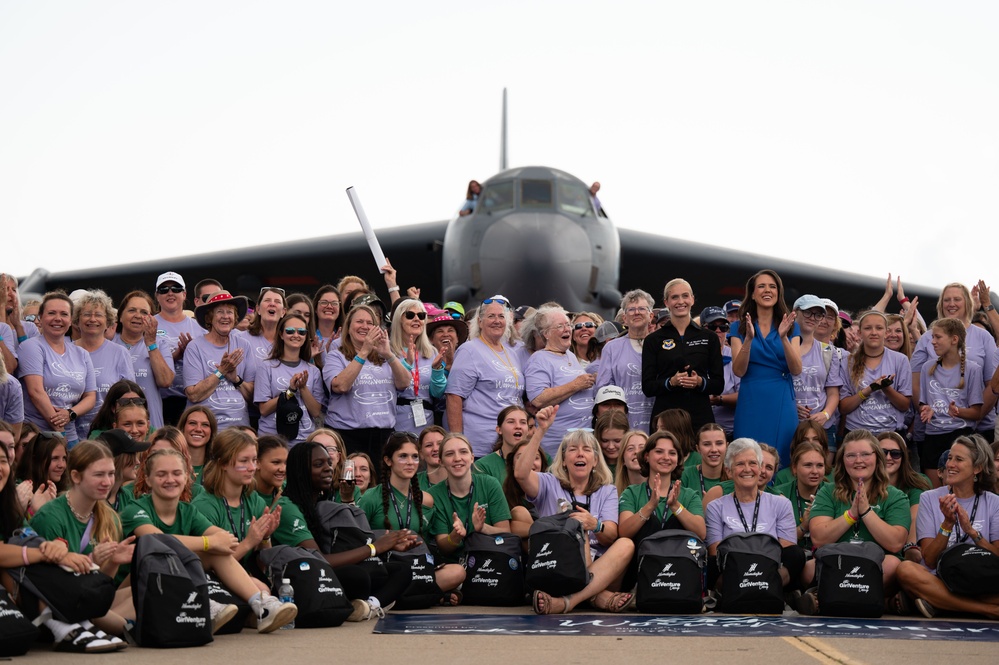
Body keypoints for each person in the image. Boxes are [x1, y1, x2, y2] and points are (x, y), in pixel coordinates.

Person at [121, 448, 297, 632]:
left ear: (187, 477)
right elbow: (155, 540)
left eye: (176, 473)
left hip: (170, 580)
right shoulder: (135, 509)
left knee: (215, 552)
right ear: (148, 479)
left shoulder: (188, 510)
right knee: (169, 555)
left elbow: (225, 539)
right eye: (161, 474)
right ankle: (205, 604)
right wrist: (208, 542)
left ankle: (262, 605)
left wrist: (230, 551)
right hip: (134, 585)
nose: (170, 479)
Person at [514, 405, 636, 614]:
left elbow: (611, 535)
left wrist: (594, 524)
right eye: (573, 449)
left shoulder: (607, 490)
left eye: (587, 450)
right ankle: (595, 597)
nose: (580, 454)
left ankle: (567, 601)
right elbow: (521, 474)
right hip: (557, 566)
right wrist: (540, 430)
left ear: (595, 460)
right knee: (578, 532)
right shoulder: (548, 483)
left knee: (625, 544)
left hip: (602, 570)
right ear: (564, 459)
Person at [275, 441, 416, 621]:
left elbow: (342, 545)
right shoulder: (287, 506)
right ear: (300, 471)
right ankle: (355, 604)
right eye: (319, 465)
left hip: (328, 570)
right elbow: (319, 559)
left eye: (329, 463)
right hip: (302, 574)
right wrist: (375, 548)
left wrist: (389, 545)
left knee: (401, 569)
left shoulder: (320, 500)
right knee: (357, 576)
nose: (328, 469)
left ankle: (369, 606)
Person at [22, 440, 135, 650]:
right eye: (99, 474)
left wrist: (111, 562)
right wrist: (93, 560)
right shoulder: (51, 516)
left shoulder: (108, 517)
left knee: (145, 591)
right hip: (55, 605)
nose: (108, 481)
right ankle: (129, 628)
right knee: (124, 623)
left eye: (111, 474)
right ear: (75, 476)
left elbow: (99, 584)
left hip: (85, 597)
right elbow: (50, 583)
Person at [802, 430, 911, 614]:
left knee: (893, 565)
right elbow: (819, 538)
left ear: (877, 458)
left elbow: (895, 543)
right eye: (851, 455)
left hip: (875, 566)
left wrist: (866, 512)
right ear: (842, 461)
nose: (858, 460)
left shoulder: (895, 496)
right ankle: (881, 602)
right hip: (837, 561)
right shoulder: (827, 491)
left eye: (865, 454)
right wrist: (850, 515)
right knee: (807, 569)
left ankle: (828, 596)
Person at [897, 435, 999, 618]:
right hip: (941, 577)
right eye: (950, 458)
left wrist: (972, 532)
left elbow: (997, 556)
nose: (950, 464)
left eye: (958, 459)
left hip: (982, 578)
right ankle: (988, 610)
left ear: (977, 468)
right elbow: (929, 559)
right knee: (906, 570)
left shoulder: (994, 502)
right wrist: (947, 524)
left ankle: (940, 603)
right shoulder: (928, 498)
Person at [704, 438, 803, 595]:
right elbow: (715, 552)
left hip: (769, 567)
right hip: (733, 569)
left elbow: (787, 549)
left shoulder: (781, 504)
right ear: (729, 471)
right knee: (709, 563)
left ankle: (770, 589)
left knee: (796, 554)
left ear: (759, 468)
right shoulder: (716, 506)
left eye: (752, 463)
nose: (747, 469)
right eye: (740, 464)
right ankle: (738, 593)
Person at [728, 270, 802, 466]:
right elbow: (739, 371)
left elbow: (796, 369)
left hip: (781, 397)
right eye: (761, 286)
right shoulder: (738, 328)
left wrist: (784, 337)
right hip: (751, 399)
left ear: (779, 292)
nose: (767, 290)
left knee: (782, 454)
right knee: (747, 453)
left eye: (772, 286)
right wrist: (749, 340)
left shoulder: (791, 326)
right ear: (752, 293)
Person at [618, 430, 706, 587]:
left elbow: (701, 532)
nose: (666, 457)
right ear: (646, 456)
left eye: (672, 453)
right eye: (659, 451)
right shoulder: (632, 492)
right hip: (641, 570)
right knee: (649, 522)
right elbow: (624, 532)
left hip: (678, 569)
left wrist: (675, 507)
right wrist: (650, 505)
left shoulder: (689, 495)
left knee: (677, 522)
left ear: (678, 459)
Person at [912, 283, 996, 444]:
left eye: (957, 299)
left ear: (968, 303)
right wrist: (929, 414)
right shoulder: (926, 339)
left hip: (978, 430)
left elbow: (992, 384)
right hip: (934, 428)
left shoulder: (983, 337)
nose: (951, 304)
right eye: (946, 300)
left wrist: (973, 419)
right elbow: (915, 384)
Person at [323, 304, 410, 460]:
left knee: (381, 482)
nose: (364, 326)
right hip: (348, 435)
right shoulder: (336, 356)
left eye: (370, 323)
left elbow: (404, 383)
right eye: (359, 322)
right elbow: (340, 386)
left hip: (383, 435)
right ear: (348, 328)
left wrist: (389, 354)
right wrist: (364, 351)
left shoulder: (385, 357)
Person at [446, 296, 525, 456]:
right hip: (481, 445)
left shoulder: (511, 353)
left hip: (511, 444)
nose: (497, 321)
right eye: (491, 316)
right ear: (480, 322)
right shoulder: (469, 350)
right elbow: (454, 397)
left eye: (501, 316)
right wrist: (458, 441)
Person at [642, 279, 724, 432]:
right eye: (675, 297)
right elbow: (647, 387)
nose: (681, 301)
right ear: (666, 302)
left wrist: (699, 381)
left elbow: (718, 384)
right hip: (666, 418)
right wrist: (671, 382)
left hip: (700, 416)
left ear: (692, 299)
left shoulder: (709, 337)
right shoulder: (653, 339)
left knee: (699, 456)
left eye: (685, 296)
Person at [192, 428, 281, 569]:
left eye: (254, 460)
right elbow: (209, 566)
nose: (252, 468)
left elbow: (264, 566)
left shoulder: (255, 501)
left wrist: (265, 538)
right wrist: (248, 542)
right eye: (244, 461)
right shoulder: (204, 506)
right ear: (223, 464)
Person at [18, 292, 96, 447]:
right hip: (38, 436)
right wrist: (60, 432)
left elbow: (90, 397)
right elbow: (36, 392)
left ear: (70, 320)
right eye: (51, 313)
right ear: (40, 318)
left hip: (71, 436)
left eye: (64, 314)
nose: (58, 319)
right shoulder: (31, 346)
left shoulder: (82, 354)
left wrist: (70, 413)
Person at [428, 433, 511, 570]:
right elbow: (443, 548)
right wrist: (455, 536)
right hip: (454, 565)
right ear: (441, 461)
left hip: (489, 559)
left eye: (463, 452)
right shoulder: (434, 495)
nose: (457, 458)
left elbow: (506, 533)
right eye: (449, 454)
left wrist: (483, 528)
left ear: (472, 457)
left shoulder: (490, 484)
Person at [917, 318, 983, 485]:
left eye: (938, 337)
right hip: (933, 436)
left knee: (959, 492)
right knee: (935, 494)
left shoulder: (973, 369)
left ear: (954, 339)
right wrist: (925, 409)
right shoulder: (927, 368)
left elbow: (976, 413)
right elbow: (923, 404)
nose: (933, 341)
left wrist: (957, 411)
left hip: (961, 436)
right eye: (932, 337)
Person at [525, 305, 596, 455]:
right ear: (546, 334)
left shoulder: (569, 355)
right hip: (557, 445)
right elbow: (538, 399)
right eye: (560, 326)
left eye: (568, 325)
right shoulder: (539, 359)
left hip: (581, 441)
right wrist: (576, 384)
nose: (567, 329)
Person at [183, 291, 254, 429]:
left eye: (230, 312)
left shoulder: (244, 345)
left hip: (240, 429)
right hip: (207, 429)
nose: (225, 317)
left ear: (235, 317)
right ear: (209, 318)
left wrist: (236, 379)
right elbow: (193, 395)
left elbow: (253, 397)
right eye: (220, 312)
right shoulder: (195, 347)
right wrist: (221, 371)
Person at [838, 311, 913, 437]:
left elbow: (904, 405)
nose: (873, 332)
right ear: (860, 333)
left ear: (886, 332)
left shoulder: (900, 360)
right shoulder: (848, 361)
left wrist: (886, 388)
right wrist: (869, 390)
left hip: (890, 435)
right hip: (856, 434)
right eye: (868, 328)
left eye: (879, 328)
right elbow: (844, 407)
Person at [71, 290, 134, 439]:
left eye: (98, 315)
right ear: (77, 321)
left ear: (108, 321)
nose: (92, 319)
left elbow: (130, 397)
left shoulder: (120, 353)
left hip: (110, 436)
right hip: (73, 436)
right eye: (86, 314)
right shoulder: (67, 352)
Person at [254, 312, 324, 444]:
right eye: (290, 331)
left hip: (304, 440)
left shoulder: (313, 371)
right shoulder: (266, 366)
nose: (296, 335)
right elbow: (263, 410)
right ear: (281, 334)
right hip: (273, 439)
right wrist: (290, 391)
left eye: (302, 332)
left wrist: (303, 388)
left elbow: (315, 412)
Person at [113, 290, 175, 429]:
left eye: (143, 312)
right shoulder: (109, 344)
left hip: (150, 425)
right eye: (132, 310)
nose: (138, 316)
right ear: (120, 316)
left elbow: (166, 381)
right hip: (115, 425)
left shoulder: (159, 343)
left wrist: (151, 343)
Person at [596, 290, 656, 432]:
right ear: (624, 318)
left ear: (651, 315)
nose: (637, 313)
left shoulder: (660, 345)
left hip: (655, 420)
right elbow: (603, 387)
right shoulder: (611, 348)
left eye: (642, 308)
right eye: (631, 310)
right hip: (623, 423)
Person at [791, 295, 845, 452]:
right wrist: (791, 406)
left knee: (823, 474)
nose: (813, 318)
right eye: (808, 312)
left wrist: (826, 414)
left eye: (818, 314)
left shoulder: (828, 351)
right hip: (789, 423)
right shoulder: (782, 345)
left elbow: (833, 393)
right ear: (795, 313)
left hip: (823, 427)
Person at [153, 272, 205, 427]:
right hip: (159, 400)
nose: (170, 293)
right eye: (164, 290)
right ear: (157, 296)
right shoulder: (149, 324)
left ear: (184, 294)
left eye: (175, 289)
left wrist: (191, 354)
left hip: (191, 400)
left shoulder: (199, 327)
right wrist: (175, 355)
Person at [389, 299, 447, 434]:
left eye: (421, 316)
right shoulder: (388, 351)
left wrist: (437, 371)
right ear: (399, 319)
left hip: (426, 423)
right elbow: (392, 387)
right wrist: (406, 364)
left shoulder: (431, 352)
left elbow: (437, 393)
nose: (416, 319)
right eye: (410, 315)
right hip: (397, 421)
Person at [775, 440, 827, 583]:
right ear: (794, 468)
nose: (815, 471)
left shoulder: (833, 493)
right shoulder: (779, 494)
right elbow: (776, 542)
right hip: (790, 560)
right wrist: (804, 526)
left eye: (820, 466)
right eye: (808, 465)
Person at [877, 431, 931, 563]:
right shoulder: (864, 483)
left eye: (895, 453)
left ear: (904, 457)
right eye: (883, 452)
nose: (889, 457)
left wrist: (910, 547)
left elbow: (915, 516)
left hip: (905, 546)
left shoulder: (917, 482)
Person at [132, 426, 202, 503]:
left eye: (172, 454)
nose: (164, 461)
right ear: (145, 457)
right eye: (156, 454)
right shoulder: (129, 492)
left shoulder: (197, 493)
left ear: (184, 459)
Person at [700, 306, 740, 439]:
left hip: (731, 432)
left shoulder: (735, 356)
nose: (718, 331)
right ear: (702, 329)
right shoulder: (694, 357)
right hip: (700, 431)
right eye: (712, 327)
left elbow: (745, 395)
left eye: (723, 327)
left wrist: (719, 400)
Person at [472, 405, 529, 484]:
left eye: (523, 422)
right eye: (511, 422)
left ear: (528, 430)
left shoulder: (542, 459)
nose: (518, 426)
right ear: (499, 430)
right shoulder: (483, 466)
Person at [681, 423, 729, 498]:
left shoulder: (735, 476)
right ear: (698, 449)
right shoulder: (685, 475)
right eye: (707, 444)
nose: (714, 449)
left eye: (719, 443)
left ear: (727, 446)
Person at [178, 405, 218, 483]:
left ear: (211, 431)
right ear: (183, 428)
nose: (198, 429)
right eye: (192, 423)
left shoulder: (218, 469)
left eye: (205, 425)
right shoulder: (170, 465)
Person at [594, 410, 629, 477]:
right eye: (605, 440)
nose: (611, 447)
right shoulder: (590, 465)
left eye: (617, 441)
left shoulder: (635, 464)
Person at [613, 430, 648, 497]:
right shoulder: (612, 494)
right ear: (623, 459)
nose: (637, 452)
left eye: (642, 448)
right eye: (630, 448)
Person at [416, 425, 447, 490]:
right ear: (421, 453)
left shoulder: (461, 478)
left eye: (440, 444)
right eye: (429, 445)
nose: (435, 449)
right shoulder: (411, 483)